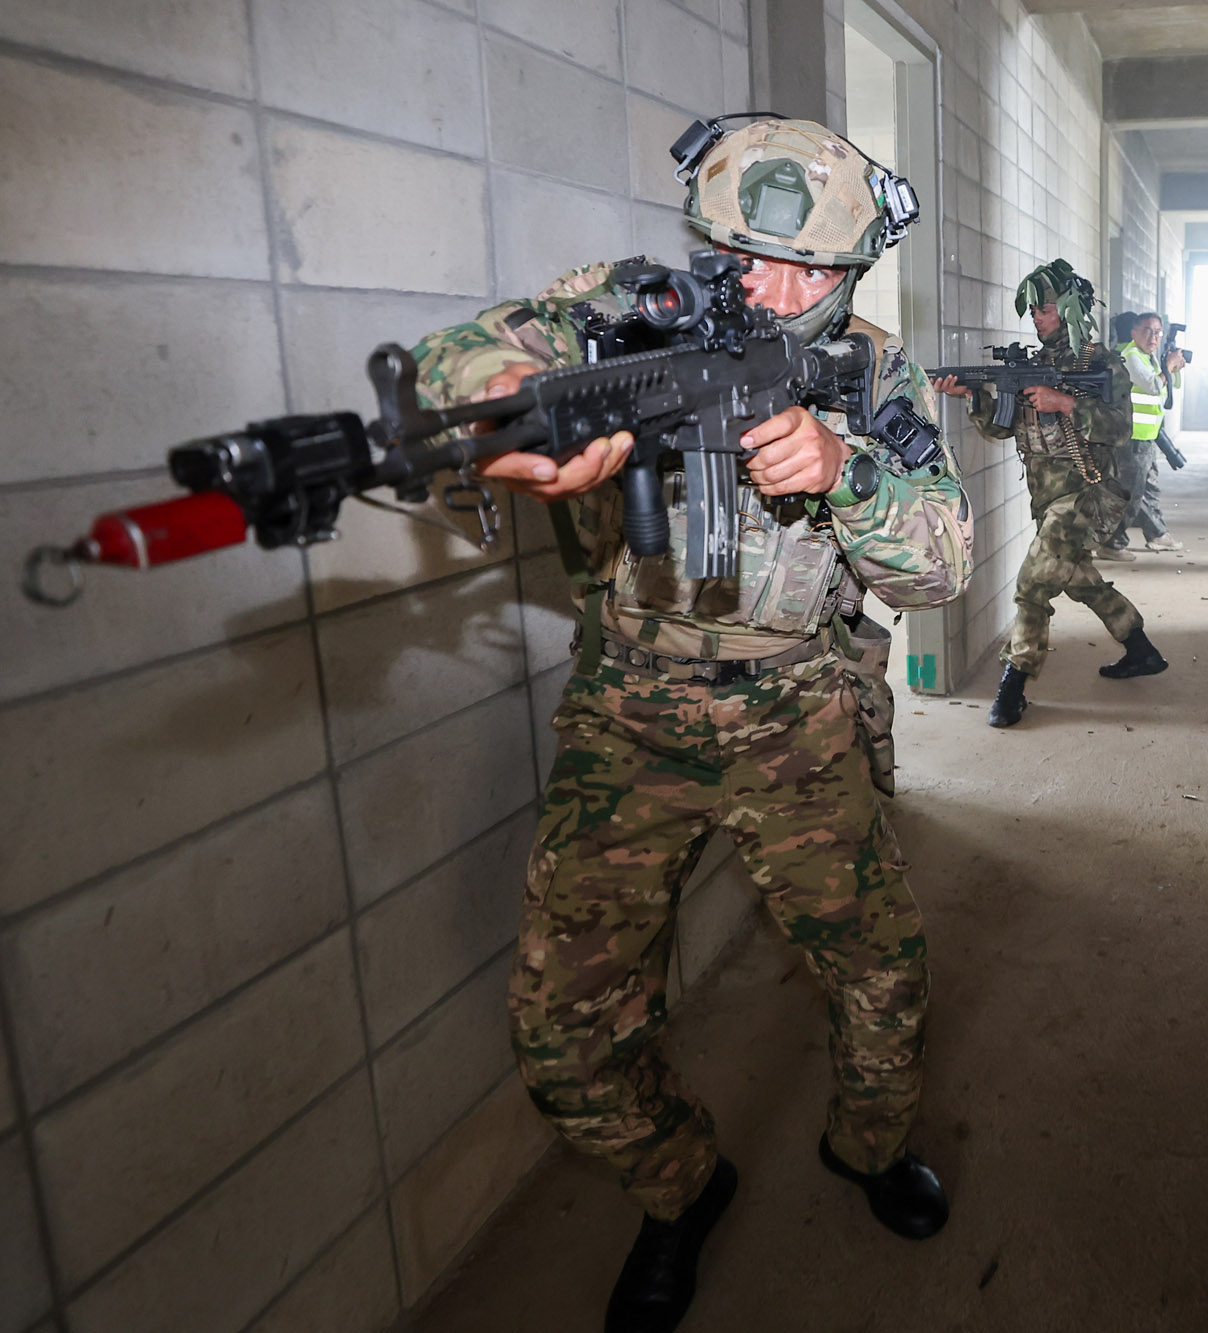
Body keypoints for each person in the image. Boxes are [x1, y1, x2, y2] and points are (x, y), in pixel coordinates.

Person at [409, 115, 972, 1332]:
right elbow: (462, 358)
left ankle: (869, 1150)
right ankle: (679, 1186)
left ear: (853, 273)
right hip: (630, 715)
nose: (762, 289)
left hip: (800, 711)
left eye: (804, 270)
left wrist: (845, 470)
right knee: (561, 1035)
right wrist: (501, 404)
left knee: (881, 976)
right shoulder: (624, 309)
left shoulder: (874, 374)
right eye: (734, 251)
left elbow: (939, 569)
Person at [933, 260, 1169, 728]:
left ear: (1068, 309)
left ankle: (1014, 684)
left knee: (1033, 586)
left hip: (1087, 495)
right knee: (1077, 577)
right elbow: (1001, 430)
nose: (1037, 320)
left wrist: (1066, 403)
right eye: (1034, 313)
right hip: (1047, 499)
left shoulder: (1101, 363)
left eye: (1043, 310)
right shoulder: (1034, 366)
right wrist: (973, 395)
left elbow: (1122, 429)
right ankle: (1141, 649)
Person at [1102, 311, 1186, 554]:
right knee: (1130, 496)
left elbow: (1168, 388)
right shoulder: (1130, 356)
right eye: (1147, 331)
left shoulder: (1148, 357)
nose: (1153, 336)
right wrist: (1168, 366)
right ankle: (1112, 542)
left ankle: (1157, 533)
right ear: (1134, 333)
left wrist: (1174, 368)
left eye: (1157, 332)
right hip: (1132, 438)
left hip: (1147, 437)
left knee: (1148, 491)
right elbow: (1152, 386)